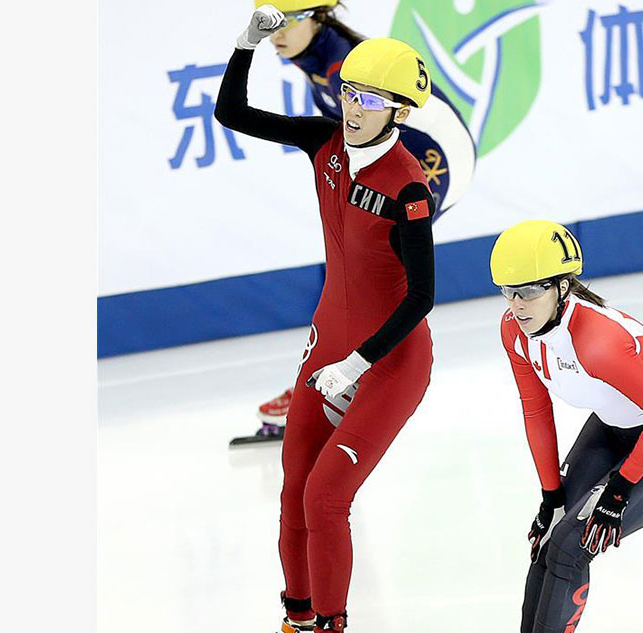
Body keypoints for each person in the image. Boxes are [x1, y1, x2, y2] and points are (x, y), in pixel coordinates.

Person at [216, 6, 437, 631]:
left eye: (370, 97)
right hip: (327, 348)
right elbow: (232, 114)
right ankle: (299, 620)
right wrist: (244, 46)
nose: (354, 106)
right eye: (347, 91)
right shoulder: (325, 143)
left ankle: (334, 624)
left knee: (326, 497)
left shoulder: (408, 187)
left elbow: (421, 298)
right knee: (293, 493)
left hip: (390, 362)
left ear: (400, 109)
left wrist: (359, 363)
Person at [247, 0, 475, 436]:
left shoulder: (337, 71)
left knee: (373, 270)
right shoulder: (319, 55)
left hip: (439, 157)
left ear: (315, 16)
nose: (276, 31)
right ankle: (342, 374)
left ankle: (355, 377)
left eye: (286, 20)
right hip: (429, 145)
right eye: (270, 20)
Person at [490, 220, 643, 633]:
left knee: (569, 548)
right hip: (616, 427)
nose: (516, 305)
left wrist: (620, 489)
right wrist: (550, 496)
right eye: (508, 292)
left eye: (528, 291)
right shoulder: (515, 332)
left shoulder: (598, 341)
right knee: (547, 542)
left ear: (563, 287)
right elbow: (535, 410)